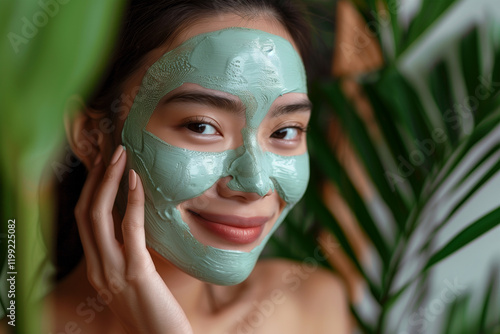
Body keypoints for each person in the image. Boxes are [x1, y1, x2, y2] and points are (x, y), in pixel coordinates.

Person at [45, 1, 350, 333]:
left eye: (284, 132)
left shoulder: (311, 305)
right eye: (202, 127)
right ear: (92, 137)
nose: (255, 184)